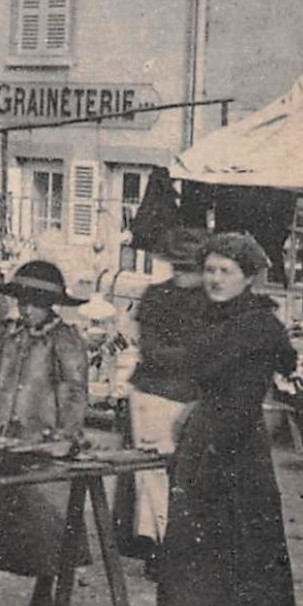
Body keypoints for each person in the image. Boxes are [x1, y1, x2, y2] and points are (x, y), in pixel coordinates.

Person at [153, 233, 303, 606]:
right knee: (195, 569)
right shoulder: (218, 316)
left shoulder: (254, 325)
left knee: (232, 565)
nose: (215, 279)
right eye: (211, 270)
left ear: (250, 277)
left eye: (226, 271)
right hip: (206, 442)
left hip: (233, 453)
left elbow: (211, 378)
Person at [0, 260, 89, 606]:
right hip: (3, 438)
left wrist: (67, 435)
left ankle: (44, 593)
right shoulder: (8, 335)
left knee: (44, 520)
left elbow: (73, 391)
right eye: (22, 302)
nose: (27, 309)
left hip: (40, 440)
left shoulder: (65, 341)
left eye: (35, 303)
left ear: (51, 305)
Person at [126, 228, 209, 569]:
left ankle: (165, 545)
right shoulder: (159, 296)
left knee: (175, 474)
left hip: (184, 395)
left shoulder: (209, 301)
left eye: (188, 268)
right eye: (179, 267)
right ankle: (159, 547)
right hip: (157, 394)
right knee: (155, 472)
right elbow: (150, 349)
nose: (183, 274)